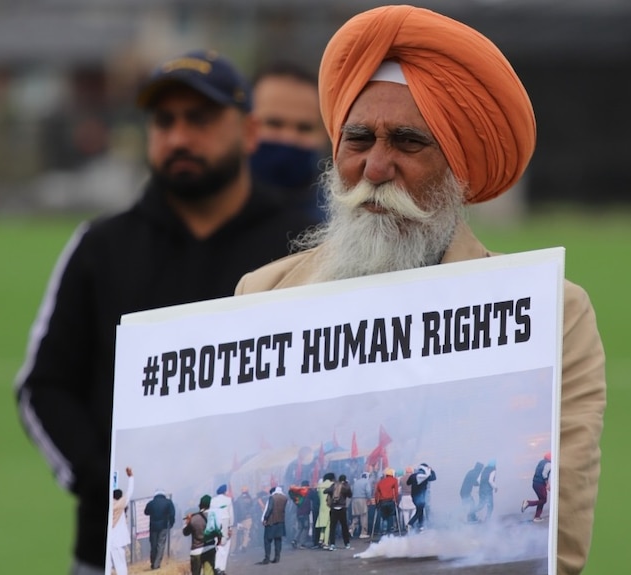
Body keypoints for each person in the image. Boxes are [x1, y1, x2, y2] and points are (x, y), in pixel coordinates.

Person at [233, 5, 606, 574]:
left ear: (458, 164)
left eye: (407, 142)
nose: (376, 167)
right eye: (358, 139)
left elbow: (557, 541)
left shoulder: (552, 314)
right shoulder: (263, 294)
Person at [14, 49, 318, 575]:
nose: (179, 137)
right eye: (164, 121)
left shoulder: (304, 245)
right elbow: (42, 386)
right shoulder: (100, 245)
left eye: (200, 119)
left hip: (260, 557)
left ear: (248, 134)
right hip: (113, 554)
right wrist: (102, 484)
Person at [251, 60, 330, 222]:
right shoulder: (208, 206)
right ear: (246, 127)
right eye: (274, 123)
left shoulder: (338, 221)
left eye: (304, 128)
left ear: (325, 134)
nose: (289, 138)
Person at [183, 495, 220, 575]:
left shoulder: (194, 518)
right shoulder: (213, 516)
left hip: (196, 551)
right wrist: (219, 541)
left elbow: (185, 532)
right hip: (210, 548)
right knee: (209, 573)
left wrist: (188, 521)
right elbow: (218, 530)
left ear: (200, 505)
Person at [108, 467, 134, 575]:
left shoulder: (110, 506)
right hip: (119, 540)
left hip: (110, 540)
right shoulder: (121, 504)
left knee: (108, 565)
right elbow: (130, 491)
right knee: (121, 565)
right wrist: (131, 477)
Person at [144, 488, 176, 570]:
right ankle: (156, 564)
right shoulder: (168, 502)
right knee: (160, 545)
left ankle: (153, 562)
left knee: (153, 545)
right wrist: (171, 523)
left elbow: (146, 512)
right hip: (163, 526)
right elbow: (172, 514)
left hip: (153, 527)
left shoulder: (151, 503)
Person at [258, 486, 288, 565]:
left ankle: (267, 558)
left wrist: (265, 518)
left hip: (271, 522)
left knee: (267, 541)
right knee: (278, 540)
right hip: (280, 522)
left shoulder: (272, 498)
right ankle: (277, 557)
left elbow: (269, 508)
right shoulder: (284, 498)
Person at [323, 474, 353, 550]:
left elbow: (325, 491)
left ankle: (332, 544)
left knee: (332, 527)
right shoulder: (345, 487)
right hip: (342, 508)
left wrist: (331, 493)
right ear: (345, 480)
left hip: (333, 509)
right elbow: (350, 495)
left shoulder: (334, 485)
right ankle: (347, 544)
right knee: (344, 527)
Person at [210, 484, 234, 575]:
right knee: (225, 546)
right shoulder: (228, 500)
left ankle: (216, 567)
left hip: (215, 525)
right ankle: (222, 568)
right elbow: (231, 515)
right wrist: (230, 527)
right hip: (225, 523)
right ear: (225, 492)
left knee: (217, 546)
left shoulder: (212, 501)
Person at [522, 452, 552, 523]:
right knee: (543, 500)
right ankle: (528, 503)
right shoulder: (549, 464)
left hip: (535, 483)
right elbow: (544, 474)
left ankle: (537, 517)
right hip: (540, 484)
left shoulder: (541, 462)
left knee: (541, 500)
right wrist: (547, 484)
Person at [407, 463, 436, 532]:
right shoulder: (426, 476)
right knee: (419, 511)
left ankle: (421, 526)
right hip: (421, 497)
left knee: (420, 510)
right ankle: (410, 524)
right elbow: (434, 478)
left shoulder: (413, 476)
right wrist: (431, 470)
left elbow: (408, 483)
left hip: (414, 496)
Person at [373, 467, 399, 536]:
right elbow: (396, 492)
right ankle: (390, 530)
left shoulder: (380, 482)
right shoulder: (394, 480)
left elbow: (377, 494)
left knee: (384, 517)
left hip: (382, 501)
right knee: (391, 515)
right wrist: (396, 500)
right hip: (390, 501)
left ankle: (384, 531)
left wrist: (376, 503)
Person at [288, 480, 313, 548]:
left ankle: (294, 540)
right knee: (305, 528)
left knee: (299, 528)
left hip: (299, 513)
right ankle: (302, 544)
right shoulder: (308, 493)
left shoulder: (298, 494)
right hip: (305, 513)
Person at [232, 486, 254, 554]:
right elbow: (252, 507)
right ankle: (244, 545)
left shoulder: (238, 499)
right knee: (246, 533)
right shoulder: (250, 499)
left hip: (240, 519)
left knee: (240, 533)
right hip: (248, 518)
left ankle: (238, 546)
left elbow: (237, 510)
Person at [350, 471, 372, 538]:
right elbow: (368, 491)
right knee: (364, 516)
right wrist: (369, 498)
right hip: (362, 499)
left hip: (354, 500)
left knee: (356, 517)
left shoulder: (356, 482)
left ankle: (351, 529)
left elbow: (352, 490)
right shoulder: (366, 482)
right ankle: (363, 533)